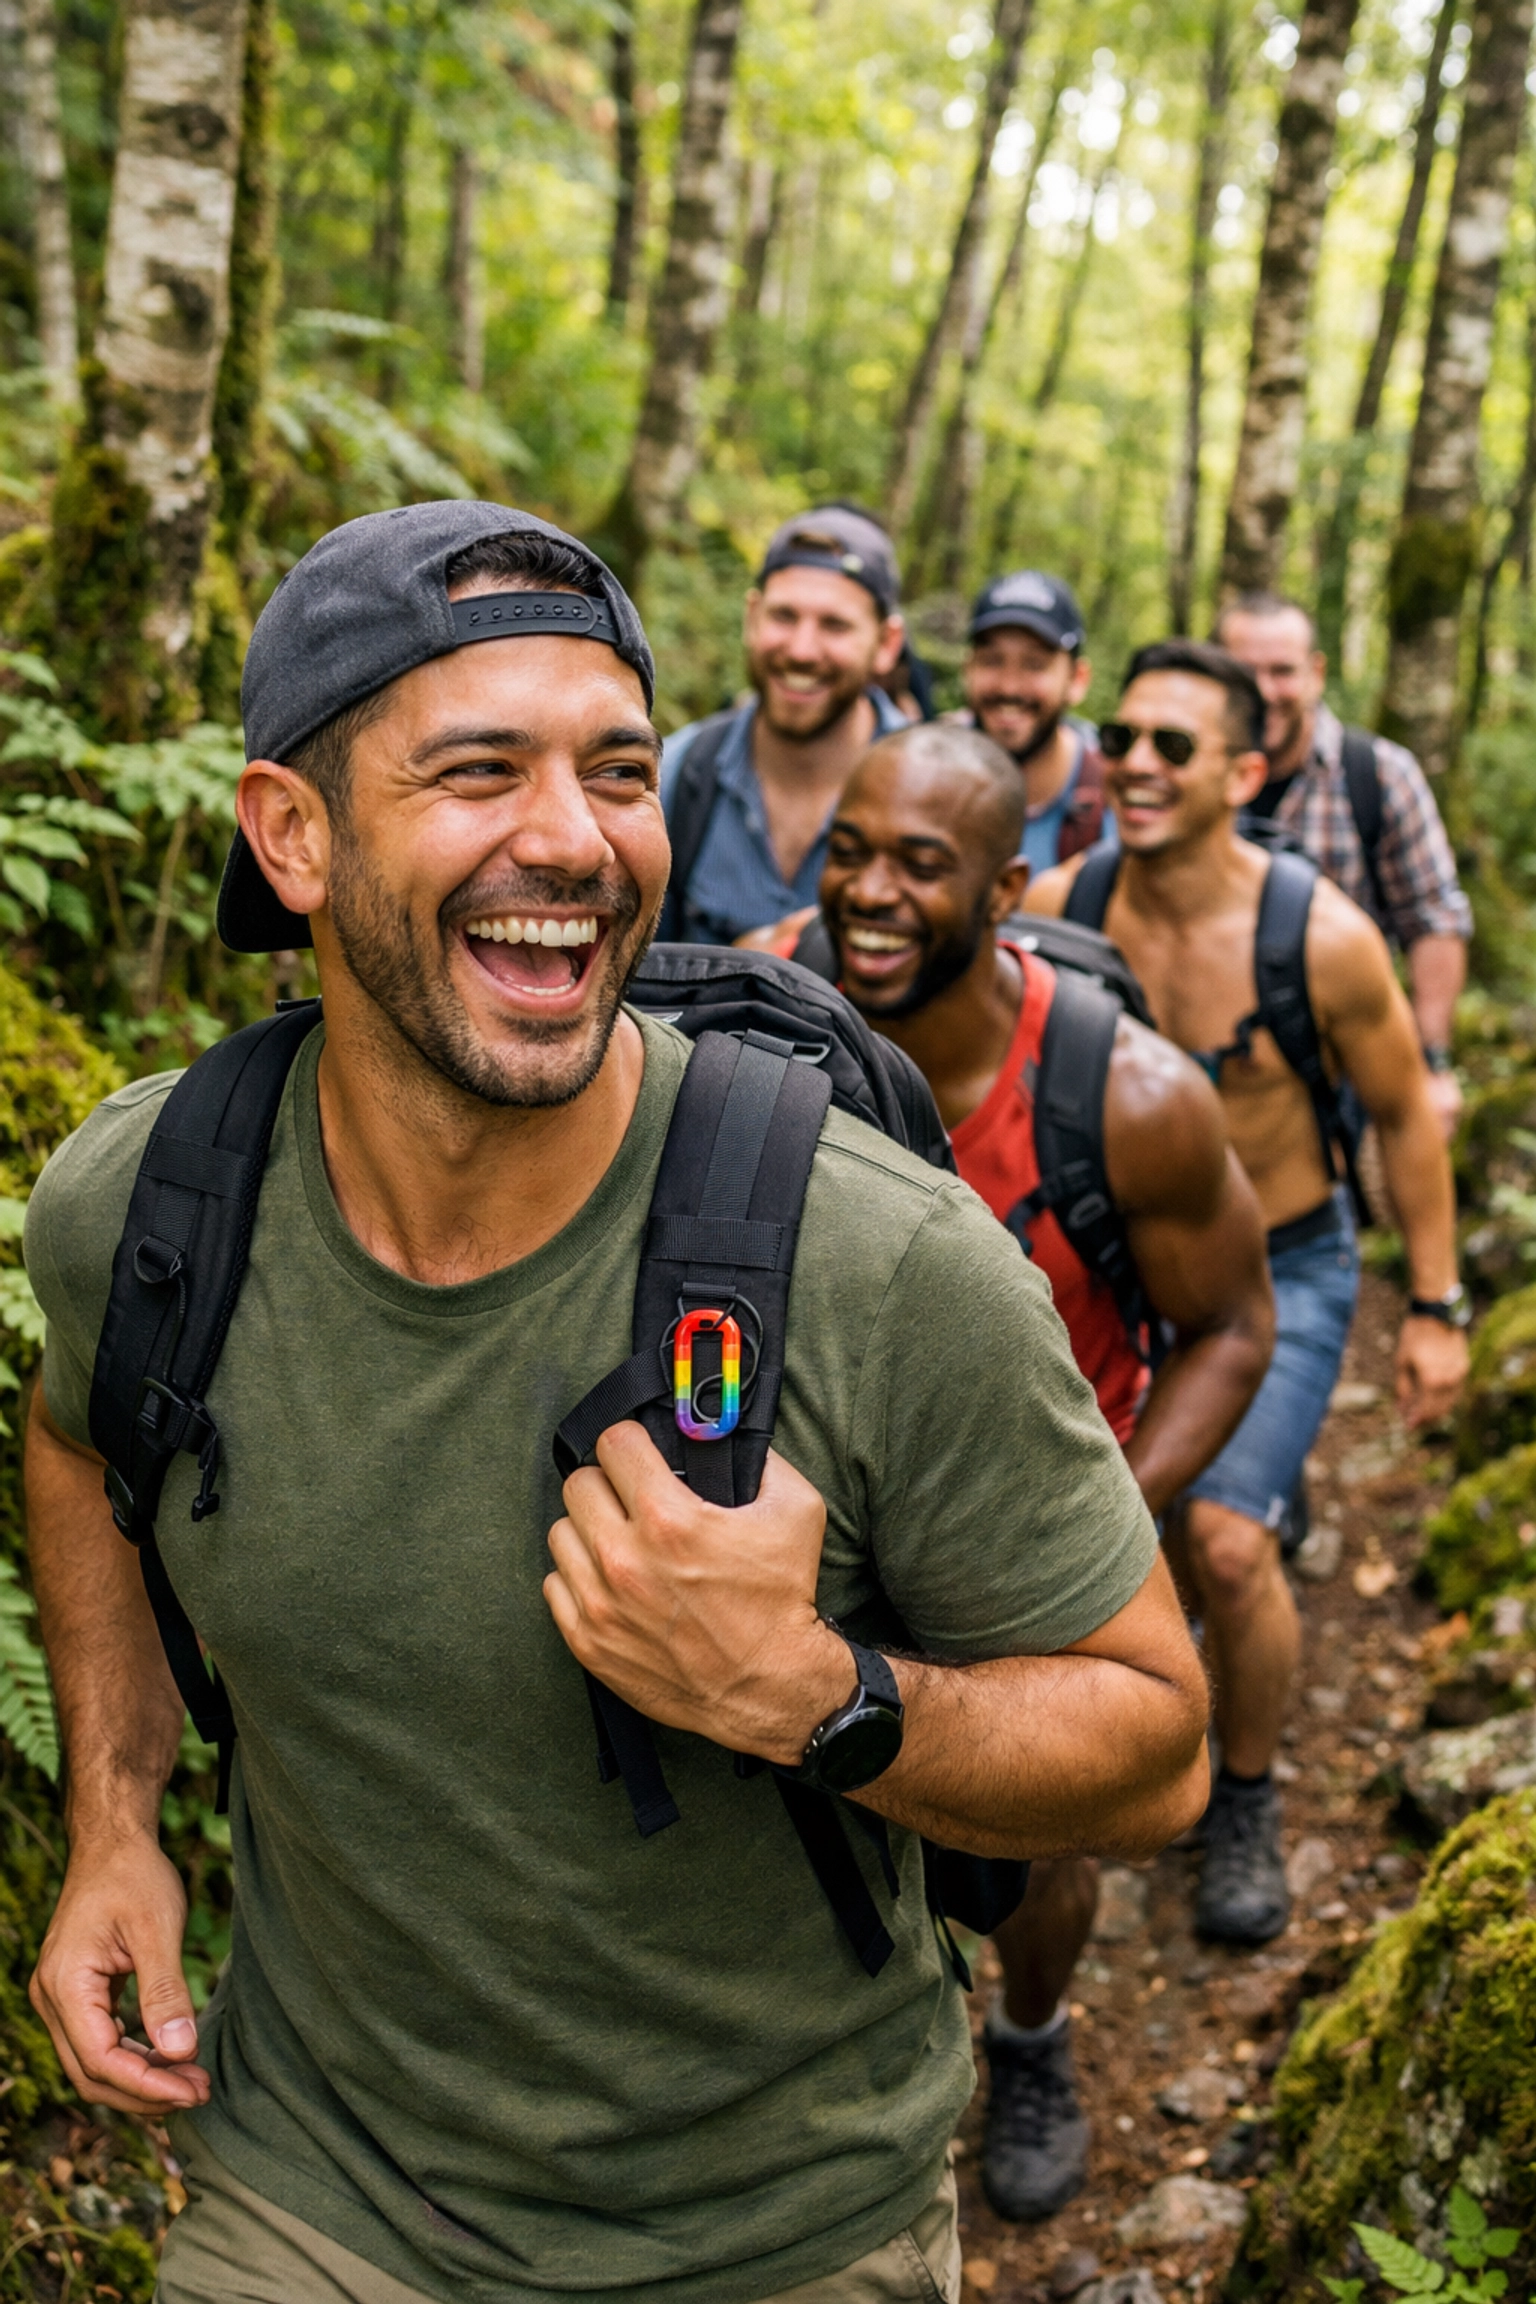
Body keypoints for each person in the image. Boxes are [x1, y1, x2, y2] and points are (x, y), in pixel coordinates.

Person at [23, 502, 1212, 2304]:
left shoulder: (877, 1259)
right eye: (480, 768)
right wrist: (115, 1816)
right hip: (309, 2188)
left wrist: (818, 1692)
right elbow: (74, 1431)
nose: (573, 841)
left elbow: (1157, 1739)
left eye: (621, 769)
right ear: (292, 834)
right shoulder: (153, 1200)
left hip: (772, 2227)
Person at [812, 723, 1274, 2223]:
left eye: (919, 867)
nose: (870, 893)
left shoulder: (1131, 1100)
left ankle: (1029, 2038)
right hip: (828, 1494)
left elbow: (1233, 1323)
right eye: (849, 851)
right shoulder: (767, 1009)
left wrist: (1109, 1522)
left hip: (1047, 1502)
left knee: (1049, 1828)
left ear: (1009, 886)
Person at [1027, 640, 1469, 1948]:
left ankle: (1252, 1790)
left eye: (1175, 745)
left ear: (1246, 768)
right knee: (1129, 1531)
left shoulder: (1321, 939)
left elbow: (1405, 1120)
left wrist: (1436, 1309)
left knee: (1227, 1540)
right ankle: (1123, 1755)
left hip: (1290, 1267)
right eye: (1125, 738)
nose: (1139, 763)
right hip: (1123, 1273)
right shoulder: (1060, 904)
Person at [1214, 592, 1471, 1138]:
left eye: (1282, 671)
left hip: (1339, 1068)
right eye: (1244, 672)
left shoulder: (1378, 777)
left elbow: (1434, 919)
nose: (1264, 692)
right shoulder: (1183, 776)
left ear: (1315, 673)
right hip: (1208, 1060)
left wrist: (1432, 1064)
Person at [658, 503, 909, 945]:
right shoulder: (678, 775)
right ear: (751, 617)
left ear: (887, 643)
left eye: (834, 625)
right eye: (784, 616)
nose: (801, 650)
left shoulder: (933, 791)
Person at [951, 571, 1110, 874]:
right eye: (991, 660)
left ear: (1077, 679)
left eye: (1035, 665)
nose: (1009, 687)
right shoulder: (923, 782)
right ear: (967, 669)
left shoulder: (1110, 810)